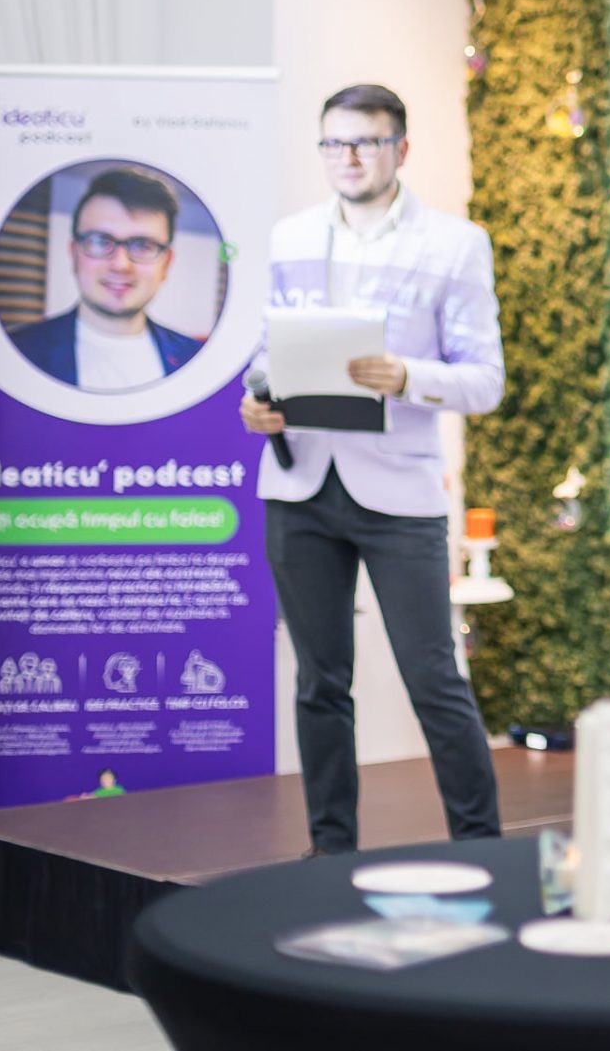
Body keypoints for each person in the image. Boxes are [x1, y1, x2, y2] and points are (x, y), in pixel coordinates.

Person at [241, 83, 504, 856]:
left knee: (434, 678)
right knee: (319, 682)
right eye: (334, 142)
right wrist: (255, 401)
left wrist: (409, 376)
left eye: (365, 141)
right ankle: (331, 852)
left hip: (399, 491)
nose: (348, 157)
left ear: (401, 149)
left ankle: (484, 849)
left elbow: (485, 381)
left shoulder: (454, 244)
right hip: (299, 483)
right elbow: (265, 352)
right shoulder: (291, 235)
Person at [11, 167, 202, 391]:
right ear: (74, 254)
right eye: (100, 241)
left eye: (143, 245)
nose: (120, 265)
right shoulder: (14, 353)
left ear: (166, 264)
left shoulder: (197, 359)